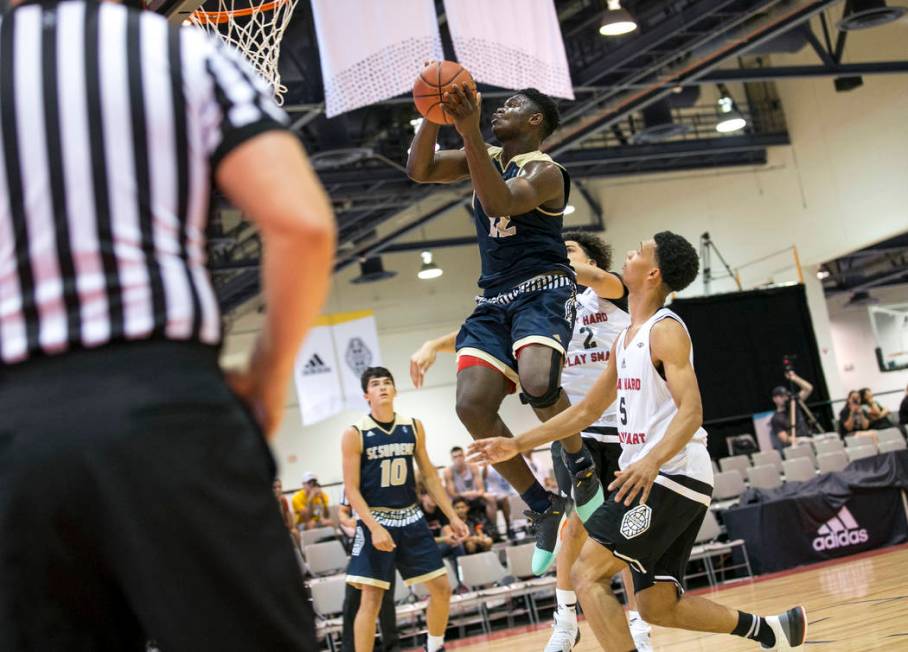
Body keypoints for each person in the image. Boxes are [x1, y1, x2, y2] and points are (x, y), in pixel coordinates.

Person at [0, 0, 335, 647]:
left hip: (14, 433)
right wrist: (266, 377)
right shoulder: (184, 52)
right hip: (168, 408)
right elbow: (302, 224)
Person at [469, 232, 807, 651]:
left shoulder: (665, 331)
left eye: (639, 252)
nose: (628, 254)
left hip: (669, 475)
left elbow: (692, 413)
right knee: (656, 605)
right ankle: (770, 629)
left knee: (587, 574)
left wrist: (652, 461)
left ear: (652, 273)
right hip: (657, 477)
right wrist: (518, 444)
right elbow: (583, 413)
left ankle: (568, 625)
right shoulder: (625, 338)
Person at [410, 232, 652, 650]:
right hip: (568, 426)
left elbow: (599, 278)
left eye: (569, 250)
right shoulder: (537, 309)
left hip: (624, 424)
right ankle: (564, 619)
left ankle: (638, 624)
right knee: (573, 524)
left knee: (627, 527)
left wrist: (547, 264)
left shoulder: (608, 293)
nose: (561, 255)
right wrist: (433, 343)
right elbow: (475, 333)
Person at [407, 83, 601, 574]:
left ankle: (580, 465)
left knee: (538, 382)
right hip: (493, 296)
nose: (502, 109)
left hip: (543, 286)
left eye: (516, 105)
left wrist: (469, 131)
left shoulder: (546, 171)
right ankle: (541, 504)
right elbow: (420, 169)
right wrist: (432, 114)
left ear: (536, 122)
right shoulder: (485, 153)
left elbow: (498, 204)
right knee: (471, 405)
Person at [342, 367, 469, 652]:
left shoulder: (413, 426)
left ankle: (434, 647)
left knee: (442, 589)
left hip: (411, 519)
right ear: (366, 395)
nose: (383, 387)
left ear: (395, 391)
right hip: (376, 520)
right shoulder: (355, 433)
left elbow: (430, 476)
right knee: (371, 599)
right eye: (376, 384)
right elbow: (351, 490)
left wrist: (452, 516)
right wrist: (374, 528)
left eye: (388, 382)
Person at [444, 446, 498, 535]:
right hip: (460, 498)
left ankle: (494, 529)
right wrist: (466, 494)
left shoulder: (472, 467)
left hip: (475, 496)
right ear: (452, 459)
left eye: (460, 455)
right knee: (455, 504)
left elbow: (481, 490)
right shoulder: (448, 471)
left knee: (490, 498)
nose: (458, 459)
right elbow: (452, 494)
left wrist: (474, 494)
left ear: (464, 456)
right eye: (455, 457)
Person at [769, 371, 814, 451]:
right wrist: (800, 440)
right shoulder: (775, 419)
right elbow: (784, 438)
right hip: (796, 446)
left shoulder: (793, 404)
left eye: (785, 396)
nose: (784, 398)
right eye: (781, 396)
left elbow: (808, 388)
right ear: (774, 399)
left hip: (808, 438)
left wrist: (795, 378)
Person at [482, 463, 515, 536]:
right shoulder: (487, 465)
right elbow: (482, 477)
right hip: (492, 494)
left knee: (506, 499)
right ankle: (494, 530)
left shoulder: (505, 462)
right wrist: (485, 467)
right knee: (492, 500)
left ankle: (509, 527)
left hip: (506, 493)